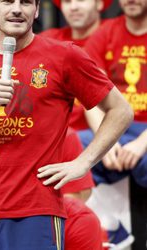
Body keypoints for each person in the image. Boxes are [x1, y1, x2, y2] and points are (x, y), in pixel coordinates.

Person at [0, 0, 133, 249]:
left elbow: (121, 110)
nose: (17, 9)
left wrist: (83, 162)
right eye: (7, 1)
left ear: (37, 10)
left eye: (26, 2)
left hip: (36, 213)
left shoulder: (64, 55)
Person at [78, 0, 147, 248]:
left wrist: (141, 143)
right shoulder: (105, 33)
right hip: (116, 125)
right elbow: (90, 96)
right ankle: (107, 231)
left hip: (145, 133)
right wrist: (106, 139)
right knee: (74, 146)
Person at [40, 0, 112, 131]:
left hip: (99, 132)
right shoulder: (48, 39)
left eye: (81, 0)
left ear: (99, 3)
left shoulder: (114, 35)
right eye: (67, 1)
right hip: (52, 133)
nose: (73, 7)